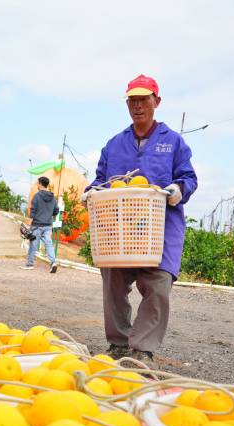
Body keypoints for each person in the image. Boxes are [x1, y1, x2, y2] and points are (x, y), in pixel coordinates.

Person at [83, 74, 198, 368]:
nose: (137, 106)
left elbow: (188, 178)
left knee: (158, 284)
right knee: (113, 282)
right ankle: (119, 344)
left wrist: (177, 190)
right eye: (132, 100)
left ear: (156, 102)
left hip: (160, 229)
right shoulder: (115, 144)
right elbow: (100, 179)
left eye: (144, 99)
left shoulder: (173, 142)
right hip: (120, 229)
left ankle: (143, 349)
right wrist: (92, 192)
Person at [21, 176, 59, 273]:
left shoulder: (37, 196)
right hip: (47, 225)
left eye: (37, 183)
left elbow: (32, 212)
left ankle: (30, 264)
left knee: (33, 244)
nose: (36, 184)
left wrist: (29, 225)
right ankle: (53, 262)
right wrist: (48, 214)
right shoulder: (53, 198)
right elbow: (56, 211)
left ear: (41, 184)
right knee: (49, 244)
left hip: (37, 225)